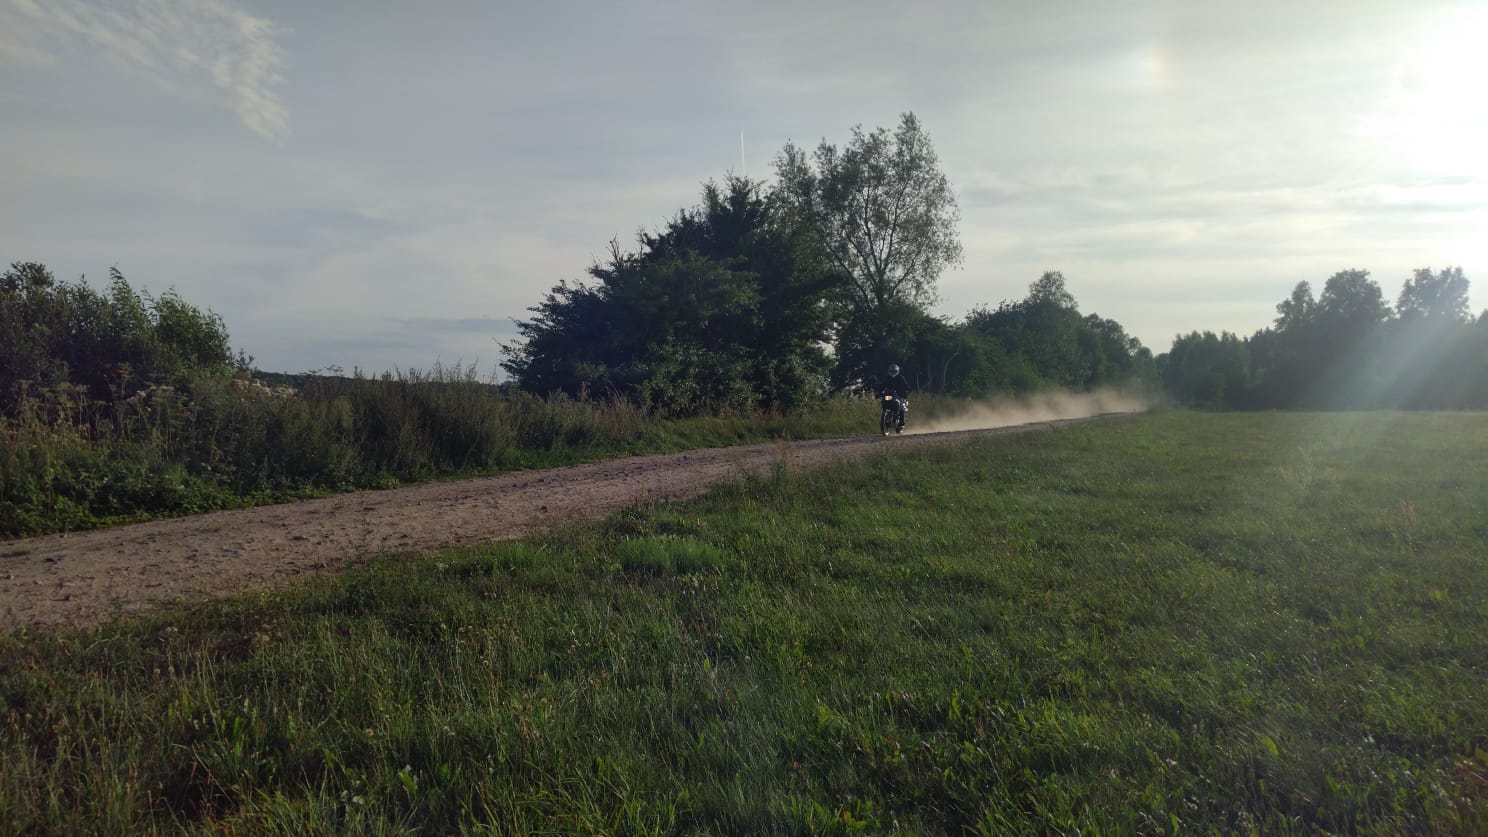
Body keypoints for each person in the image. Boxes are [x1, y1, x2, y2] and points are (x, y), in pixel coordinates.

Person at [880, 363, 910, 430]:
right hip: (890, 395)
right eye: (892, 371)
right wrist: (879, 391)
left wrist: (905, 390)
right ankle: (886, 416)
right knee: (884, 401)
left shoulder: (901, 378)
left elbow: (906, 386)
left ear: (897, 371)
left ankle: (902, 423)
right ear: (889, 371)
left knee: (901, 408)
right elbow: (882, 386)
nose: (893, 372)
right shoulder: (888, 378)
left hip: (899, 395)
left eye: (894, 371)